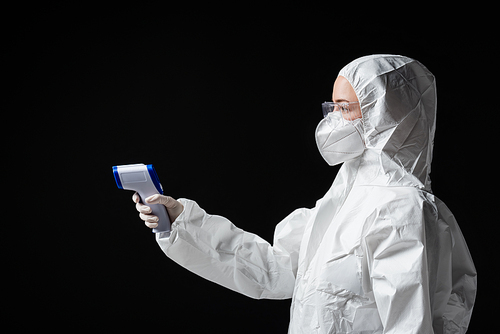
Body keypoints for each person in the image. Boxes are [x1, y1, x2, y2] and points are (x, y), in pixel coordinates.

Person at [133, 55, 477, 334]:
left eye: (345, 109)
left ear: (387, 116)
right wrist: (183, 221)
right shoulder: (347, 194)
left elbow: (410, 327)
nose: (332, 121)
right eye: (333, 107)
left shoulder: (402, 210)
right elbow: (276, 271)